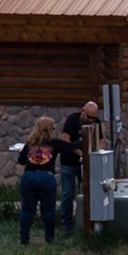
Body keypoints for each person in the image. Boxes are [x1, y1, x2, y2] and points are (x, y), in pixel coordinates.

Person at [59, 98, 102, 238]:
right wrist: (80, 153)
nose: (91, 120)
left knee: (89, 192)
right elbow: (65, 139)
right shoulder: (72, 120)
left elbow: (101, 140)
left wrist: (96, 153)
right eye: (89, 117)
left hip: (87, 163)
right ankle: (66, 226)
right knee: (67, 194)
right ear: (83, 111)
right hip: (69, 162)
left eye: (93, 118)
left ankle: (87, 223)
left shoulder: (96, 122)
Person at [17, 117, 62, 245]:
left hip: (29, 176)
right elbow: (69, 147)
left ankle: (24, 240)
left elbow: (21, 161)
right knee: (48, 211)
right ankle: (49, 239)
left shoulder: (29, 143)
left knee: (26, 211)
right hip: (46, 177)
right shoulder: (54, 143)